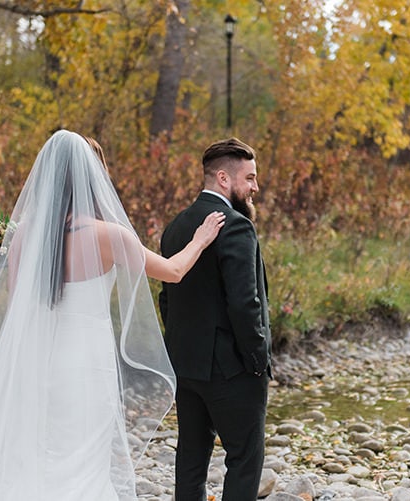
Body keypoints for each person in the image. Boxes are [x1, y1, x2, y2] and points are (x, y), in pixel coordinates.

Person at [0, 130, 224, 499]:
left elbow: (20, 301)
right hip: (86, 360)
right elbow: (173, 271)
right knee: (84, 456)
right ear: (92, 180)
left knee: (43, 451)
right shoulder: (109, 235)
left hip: (41, 358)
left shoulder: (23, 237)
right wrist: (199, 239)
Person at [159, 137, 271, 501]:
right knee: (244, 459)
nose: (255, 187)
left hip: (187, 367)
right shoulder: (236, 226)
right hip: (232, 369)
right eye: (250, 178)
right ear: (224, 178)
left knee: (191, 458)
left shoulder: (176, 226)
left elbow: (167, 298)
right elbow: (245, 304)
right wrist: (258, 361)